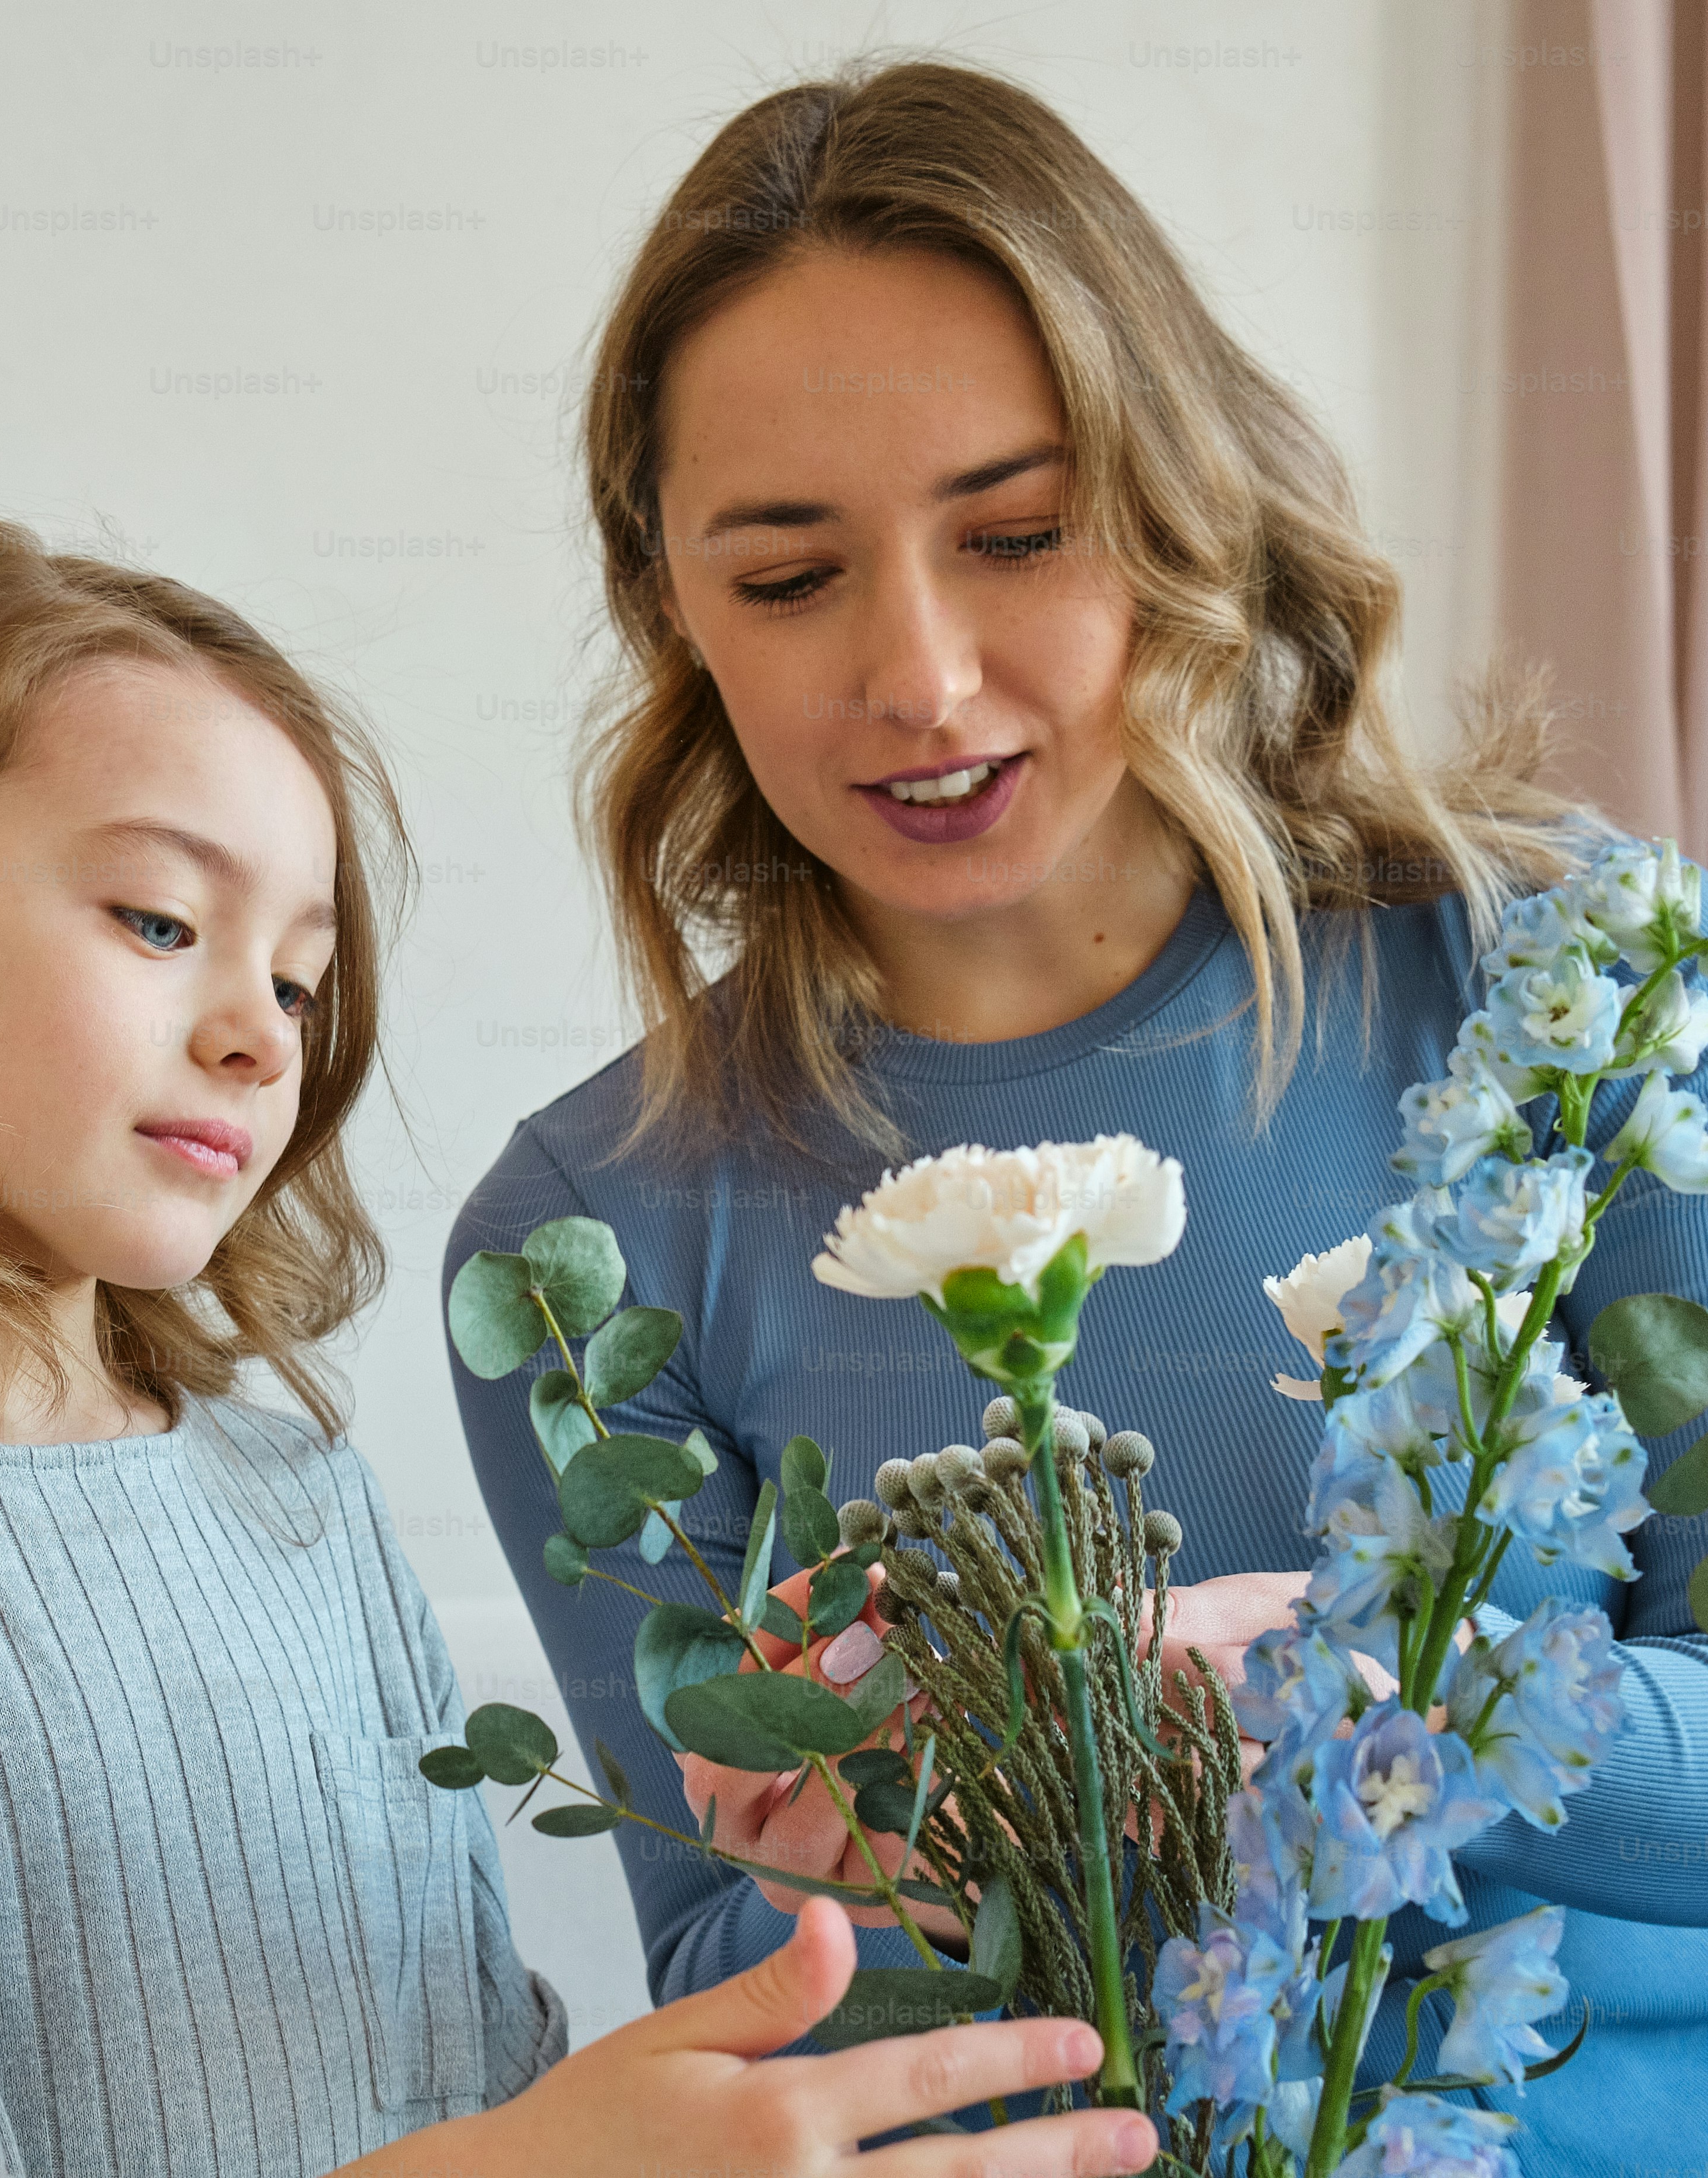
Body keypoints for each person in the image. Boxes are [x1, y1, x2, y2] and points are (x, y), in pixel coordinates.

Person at [0, 519, 1160, 2177]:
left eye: (300, 984)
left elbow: (467, 2106)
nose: (255, 1035)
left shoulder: (289, 1495)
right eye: (160, 921)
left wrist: (853, 1872)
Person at [445, 59, 1708, 2178]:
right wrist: (893, 1835)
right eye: (785, 578)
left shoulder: (1579, 998)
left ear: (1174, 506)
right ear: (669, 602)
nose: (918, 678)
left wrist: (1316, 1680)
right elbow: (731, 2002)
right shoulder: (594, 1251)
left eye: (1013, 534)